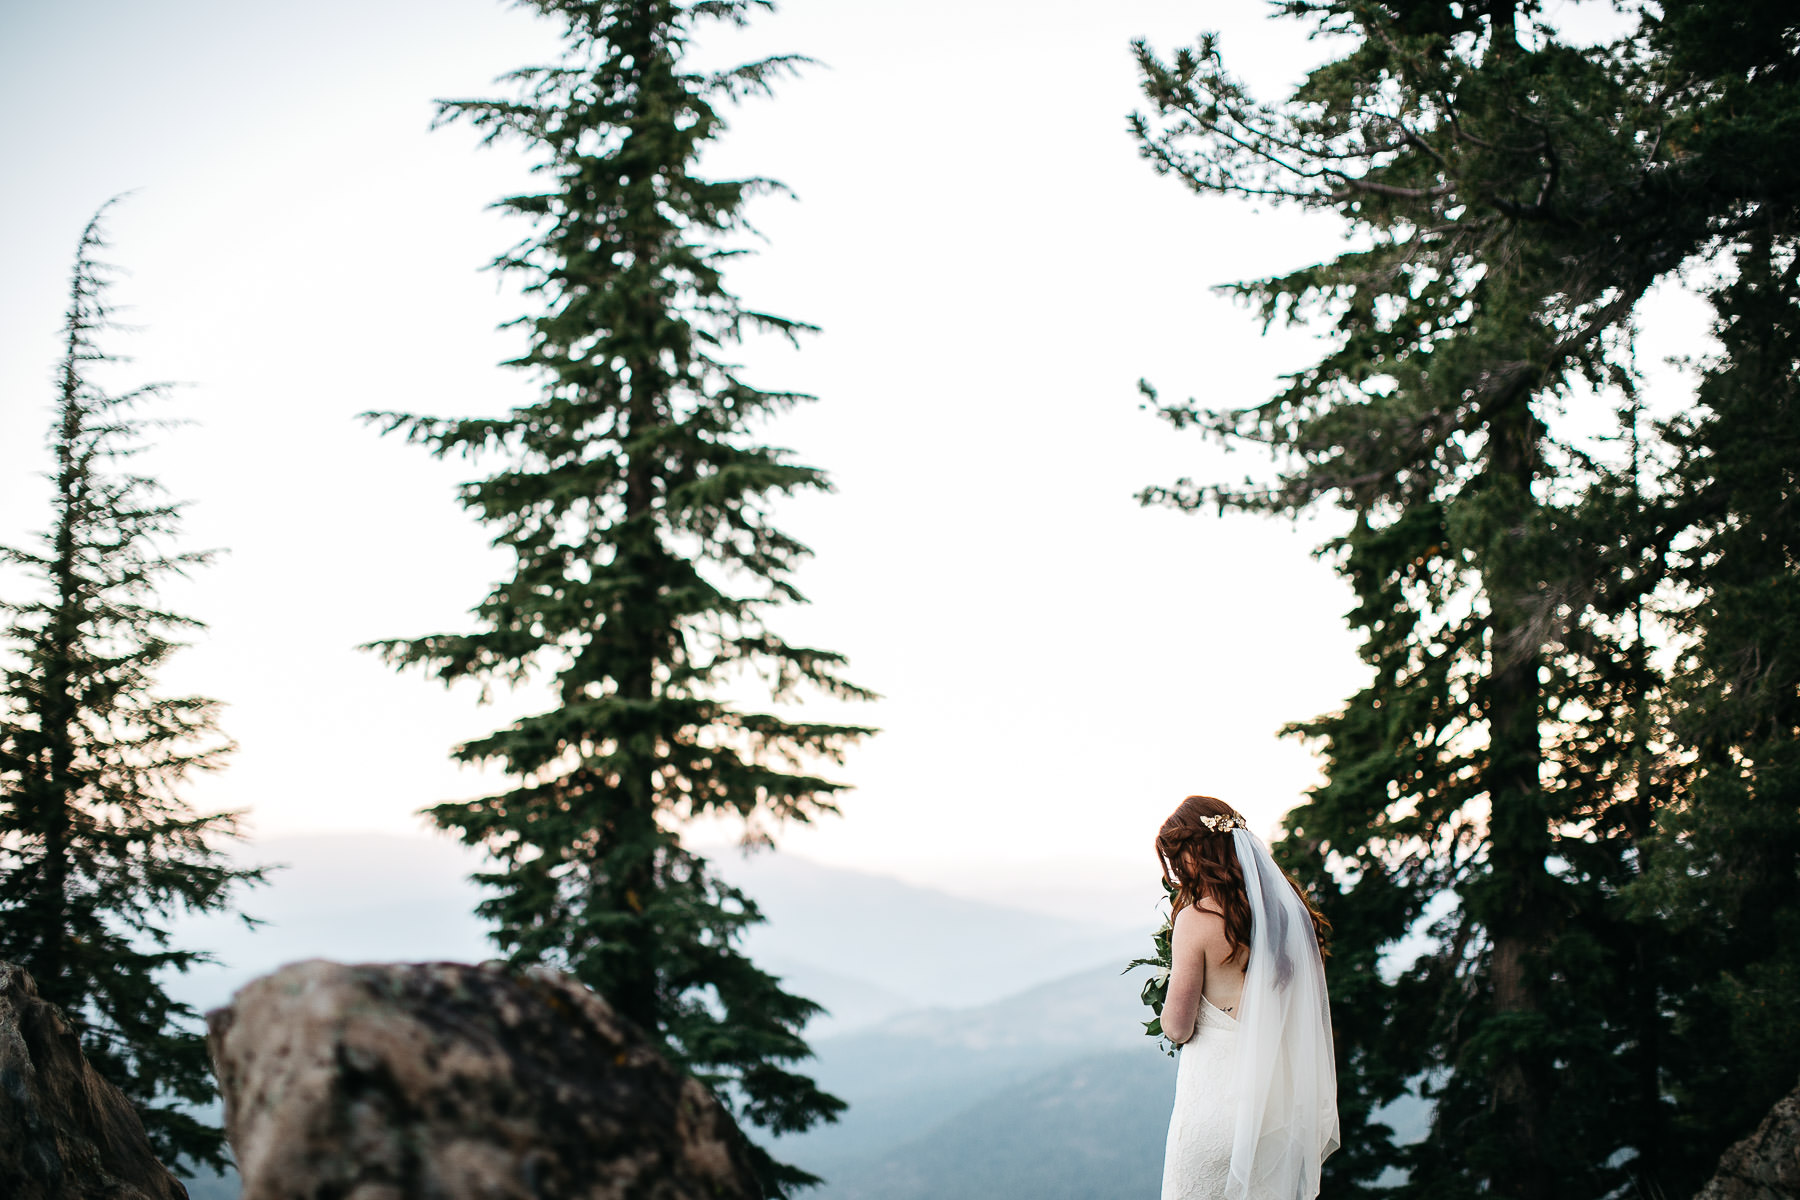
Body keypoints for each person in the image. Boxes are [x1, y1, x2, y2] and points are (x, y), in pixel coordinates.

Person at [1156, 795, 1339, 1200]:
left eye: (1175, 856)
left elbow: (1177, 1027)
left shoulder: (1196, 920)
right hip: (1275, 1115)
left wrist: (1168, 984)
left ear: (1197, 852)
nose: (1173, 871)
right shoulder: (1289, 919)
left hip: (1214, 1111)